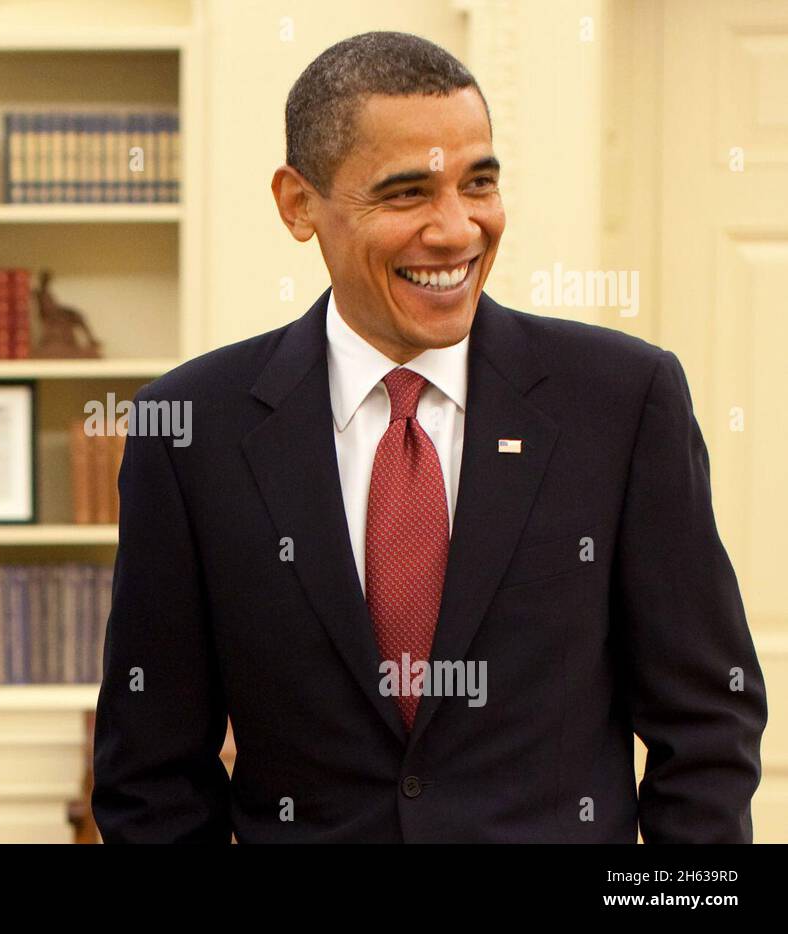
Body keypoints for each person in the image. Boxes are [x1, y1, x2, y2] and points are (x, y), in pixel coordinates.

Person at [91, 32, 767, 843]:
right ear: (298, 204)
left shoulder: (622, 402)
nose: (456, 231)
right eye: (407, 194)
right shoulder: (191, 430)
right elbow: (151, 776)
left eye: (477, 183)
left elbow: (706, 729)